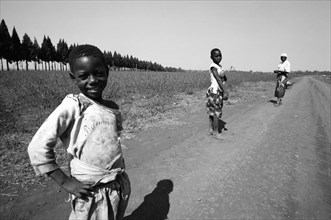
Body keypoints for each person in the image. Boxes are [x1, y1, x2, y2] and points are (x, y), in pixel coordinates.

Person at [28, 44, 130, 220]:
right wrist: (66, 182)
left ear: (107, 71)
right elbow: (37, 147)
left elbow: (113, 141)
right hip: (89, 191)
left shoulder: (112, 108)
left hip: (115, 186)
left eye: (98, 73)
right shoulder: (73, 106)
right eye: (83, 76)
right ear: (73, 77)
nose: (92, 80)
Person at [206, 48, 228, 139]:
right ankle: (216, 132)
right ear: (211, 57)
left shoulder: (219, 66)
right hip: (215, 92)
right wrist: (225, 91)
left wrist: (224, 75)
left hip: (214, 91)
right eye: (216, 56)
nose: (219, 57)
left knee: (212, 112)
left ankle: (211, 130)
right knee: (216, 113)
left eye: (220, 55)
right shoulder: (213, 67)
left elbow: (224, 78)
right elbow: (218, 79)